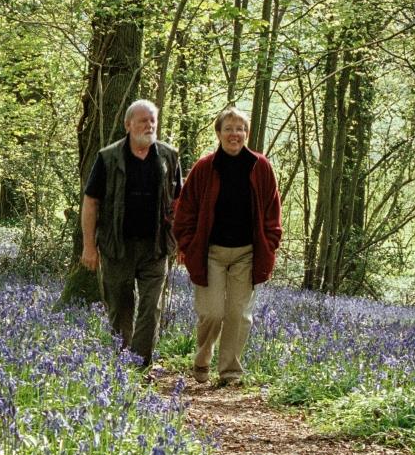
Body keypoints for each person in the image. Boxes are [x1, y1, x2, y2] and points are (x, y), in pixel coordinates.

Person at [172, 107, 283, 388]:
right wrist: (187, 243)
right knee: (212, 313)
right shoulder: (204, 167)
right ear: (219, 133)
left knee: (238, 314)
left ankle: (230, 371)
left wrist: (269, 245)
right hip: (210, 253)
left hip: (247, 253)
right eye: (229, 129)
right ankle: (202, 357)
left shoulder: (261, 167)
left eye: (240, 129)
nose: (235, 134)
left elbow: (272, 212)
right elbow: (185, 211)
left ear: (246, 133)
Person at [81, 99, 184, 368]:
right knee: (120, 309)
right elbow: (91, 202)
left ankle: (139, 364)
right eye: (143, 121)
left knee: (151, 308)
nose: (149, 125)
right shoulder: (108, 157)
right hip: (117, 247)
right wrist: (89, 247)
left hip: (156, 247)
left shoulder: (169, 157)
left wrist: (180, 240)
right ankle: (120, 363)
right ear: (128, 125)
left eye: (153, 121)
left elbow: (178, 203)